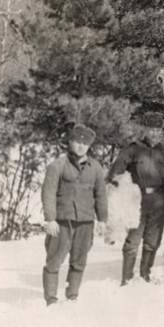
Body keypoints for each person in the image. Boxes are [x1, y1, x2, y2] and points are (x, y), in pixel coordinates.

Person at [41, 124, 107, 306]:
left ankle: (72, 296)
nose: (81, 146)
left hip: (85, 221)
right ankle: (51, 300)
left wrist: (102, 219)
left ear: (89, 146)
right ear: (70, 142)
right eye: (77, 142)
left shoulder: (96, 168)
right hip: (62, 221)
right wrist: (50, 219)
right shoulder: (57, 166)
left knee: (79, 261)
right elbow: (48, 193)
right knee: (54, 260)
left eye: (85, 144)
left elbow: (100, 194)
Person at [107, 113, 164, 285]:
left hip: (159, 200)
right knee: (133, 241)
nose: (154, 133)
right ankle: (127, 277)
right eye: (151, 129)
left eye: (158, 130)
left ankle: (145, 273)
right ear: (144, 130)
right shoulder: (133, 149)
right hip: (136, 200)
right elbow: (116, 172)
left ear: (162, 132)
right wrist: (118, 193)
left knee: (153, 240)